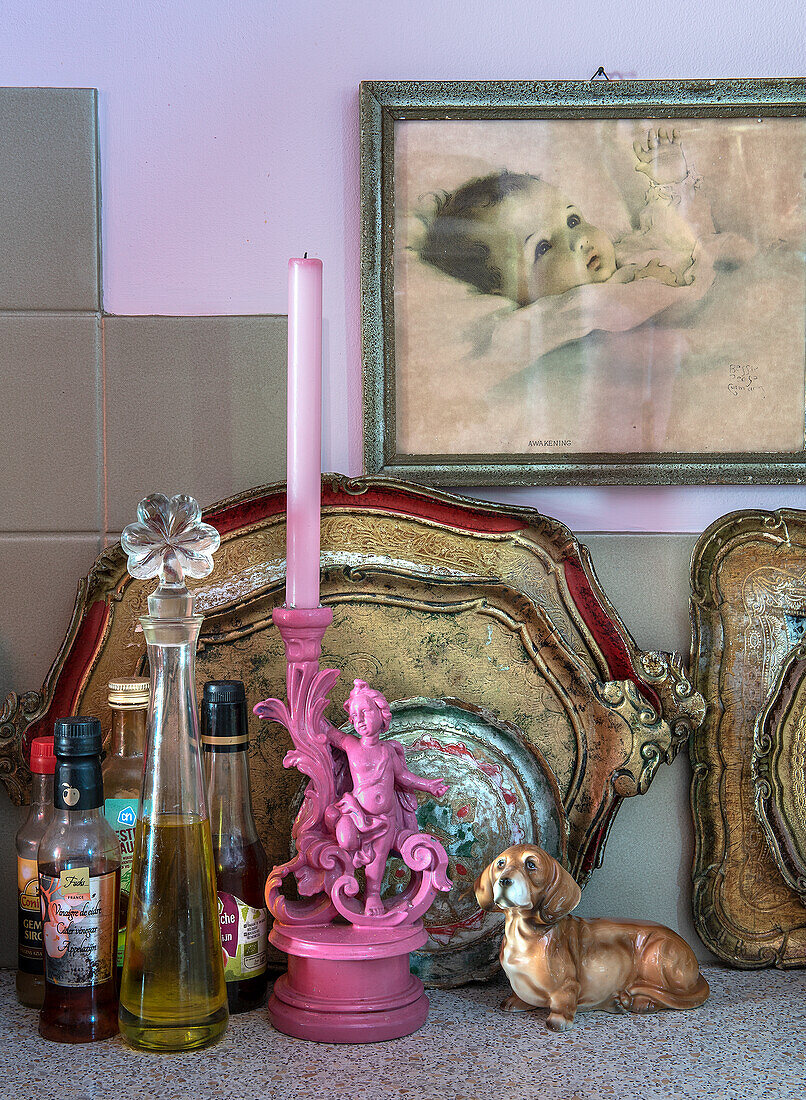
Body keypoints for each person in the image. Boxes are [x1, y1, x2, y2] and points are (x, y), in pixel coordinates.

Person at [321, 679, 448, 917]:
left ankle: (372, 895)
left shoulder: (389, 750)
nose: (358, 719)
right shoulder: (351, 745)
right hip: (355, 811)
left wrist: (428, 785)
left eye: (365, 712)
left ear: (381, 714)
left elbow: (404, 777)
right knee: (346, 841)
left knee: (378, 859)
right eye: (354, 715)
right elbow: (329, 733)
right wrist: (310, 712)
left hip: (384, 818)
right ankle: (344, 882)